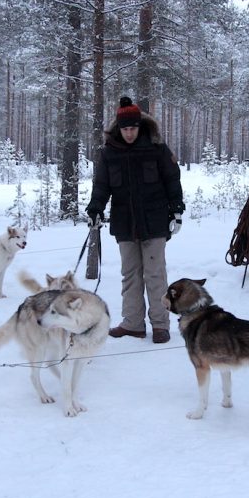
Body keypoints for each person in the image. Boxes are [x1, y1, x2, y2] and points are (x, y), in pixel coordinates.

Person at [85, 97, 185, 344]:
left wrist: (177, 210)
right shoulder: (109, 153)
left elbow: (173, 180)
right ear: (119, 128)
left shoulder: (156, 148)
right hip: (124, 223)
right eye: (125, 128)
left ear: (140, 127)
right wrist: (95, 208)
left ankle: (161, 325)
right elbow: (101, 186)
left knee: (155, 275)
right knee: (130, 274)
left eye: (133, 128)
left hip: (155, 221)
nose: (129, 133)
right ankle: (132, 323)